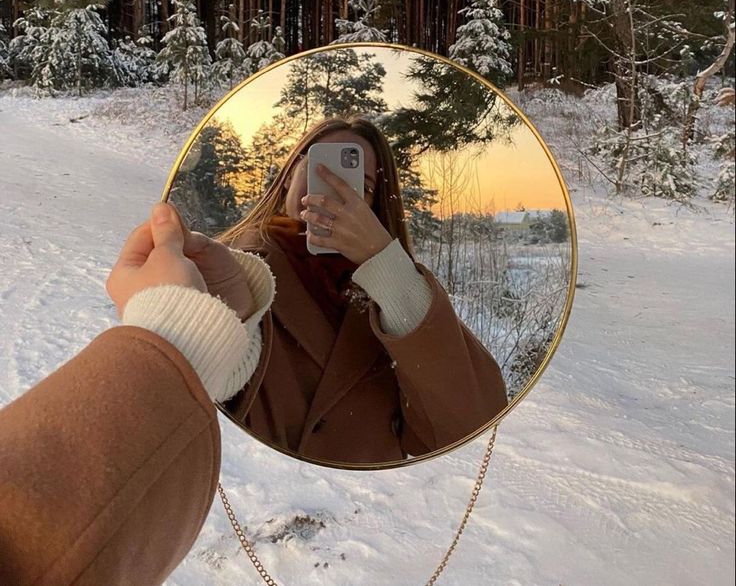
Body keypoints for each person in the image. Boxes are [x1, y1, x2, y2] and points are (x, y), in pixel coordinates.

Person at [0, 202, 275, 586]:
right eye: (313, 178)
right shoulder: (260, 246)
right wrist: (181, 336)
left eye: (361, 187)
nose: (330, 196)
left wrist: (387, 279)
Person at [219, 115, 509, 465]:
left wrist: (386, 266)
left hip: (366, 509)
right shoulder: (231, 269)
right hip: (262, 502)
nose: (332, 191)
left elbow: (469, 424)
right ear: (288, 177)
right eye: (318, 170)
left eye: (361, 185)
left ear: (374, 208)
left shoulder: (399, 295)